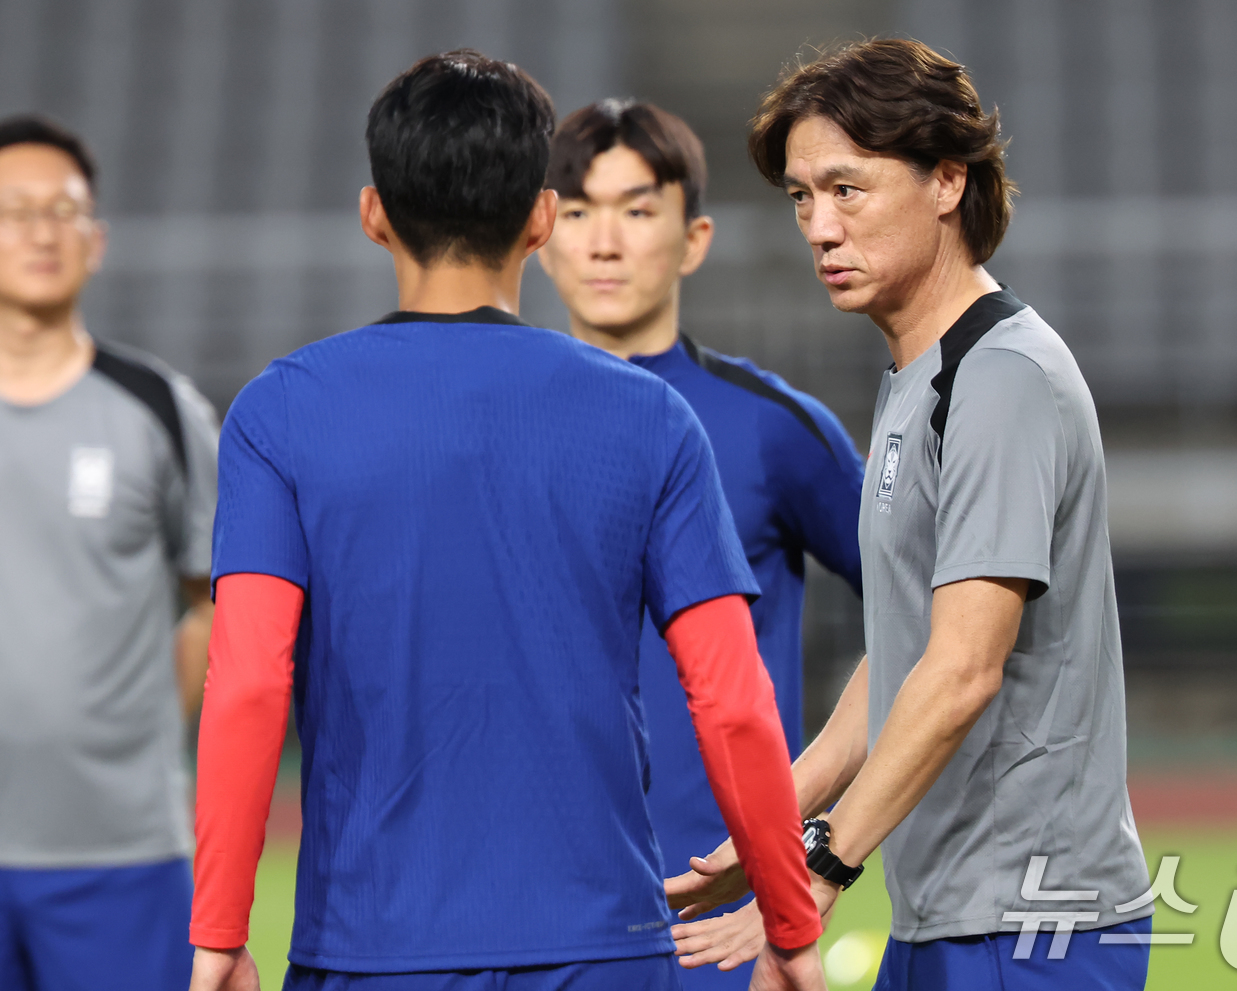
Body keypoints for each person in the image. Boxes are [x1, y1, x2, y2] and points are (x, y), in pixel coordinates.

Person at [186, 51, 827, 991]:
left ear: (374, 214)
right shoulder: (650, 417)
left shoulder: (278, 412)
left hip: (371, 951)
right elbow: (732, 697)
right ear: (540, 219)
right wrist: (790, 925)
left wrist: (218, 932)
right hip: (604, 947)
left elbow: (245, 683)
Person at [667, 39, 1155, 991]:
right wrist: (775, 823)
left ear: (945, 180)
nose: (818, 225)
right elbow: (907, 652)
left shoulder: (1000, 376)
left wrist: (819, 865)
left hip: (1031, 930)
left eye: (848, 189)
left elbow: (965, 666)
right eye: (803, 196)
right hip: (950, 920)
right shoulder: (917, 374)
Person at [538, 99, 864, 989]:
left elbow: (937, 613)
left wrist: (822, 804)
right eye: (576, 210)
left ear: (694, 238)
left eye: (638, 210)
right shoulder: (493, 427)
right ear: (540, 231)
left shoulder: (773, 429)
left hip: (725, 938)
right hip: (536, 923)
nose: (605, 241)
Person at [0, 115, 219, 991]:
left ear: (97, 240)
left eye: (64, 210)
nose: (43, 231)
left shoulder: (161, 411)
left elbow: (209, 595)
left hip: (120, 854)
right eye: (16, 210)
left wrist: (144, 738)